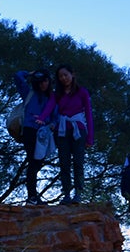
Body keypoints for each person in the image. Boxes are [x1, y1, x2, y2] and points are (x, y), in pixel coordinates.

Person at [38, 64, 94, 204]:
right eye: (60, 76)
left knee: (78, 162)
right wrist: (42, 118)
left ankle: (78, 193)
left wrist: (90, 137)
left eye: (66, 75)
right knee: (64, 162)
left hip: (78, 129)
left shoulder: (82, 92)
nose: (63, 78)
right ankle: (67, 194)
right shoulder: (57, 94)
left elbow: (88, 114)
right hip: (62, 130)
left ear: (72, 74)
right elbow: (50, 106)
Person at [12, 68, 53, 204]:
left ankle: (33, 196)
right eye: (40, 81)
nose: (43, 84)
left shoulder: (50, 98)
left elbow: (55, 118)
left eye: (45, 81)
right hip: (29, 130)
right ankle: (32, 197)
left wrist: (44, 120)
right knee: (32, 163)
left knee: (37, 163)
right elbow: (18, 76)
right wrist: (29, 73)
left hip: (43, 135)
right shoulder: (29, 93)